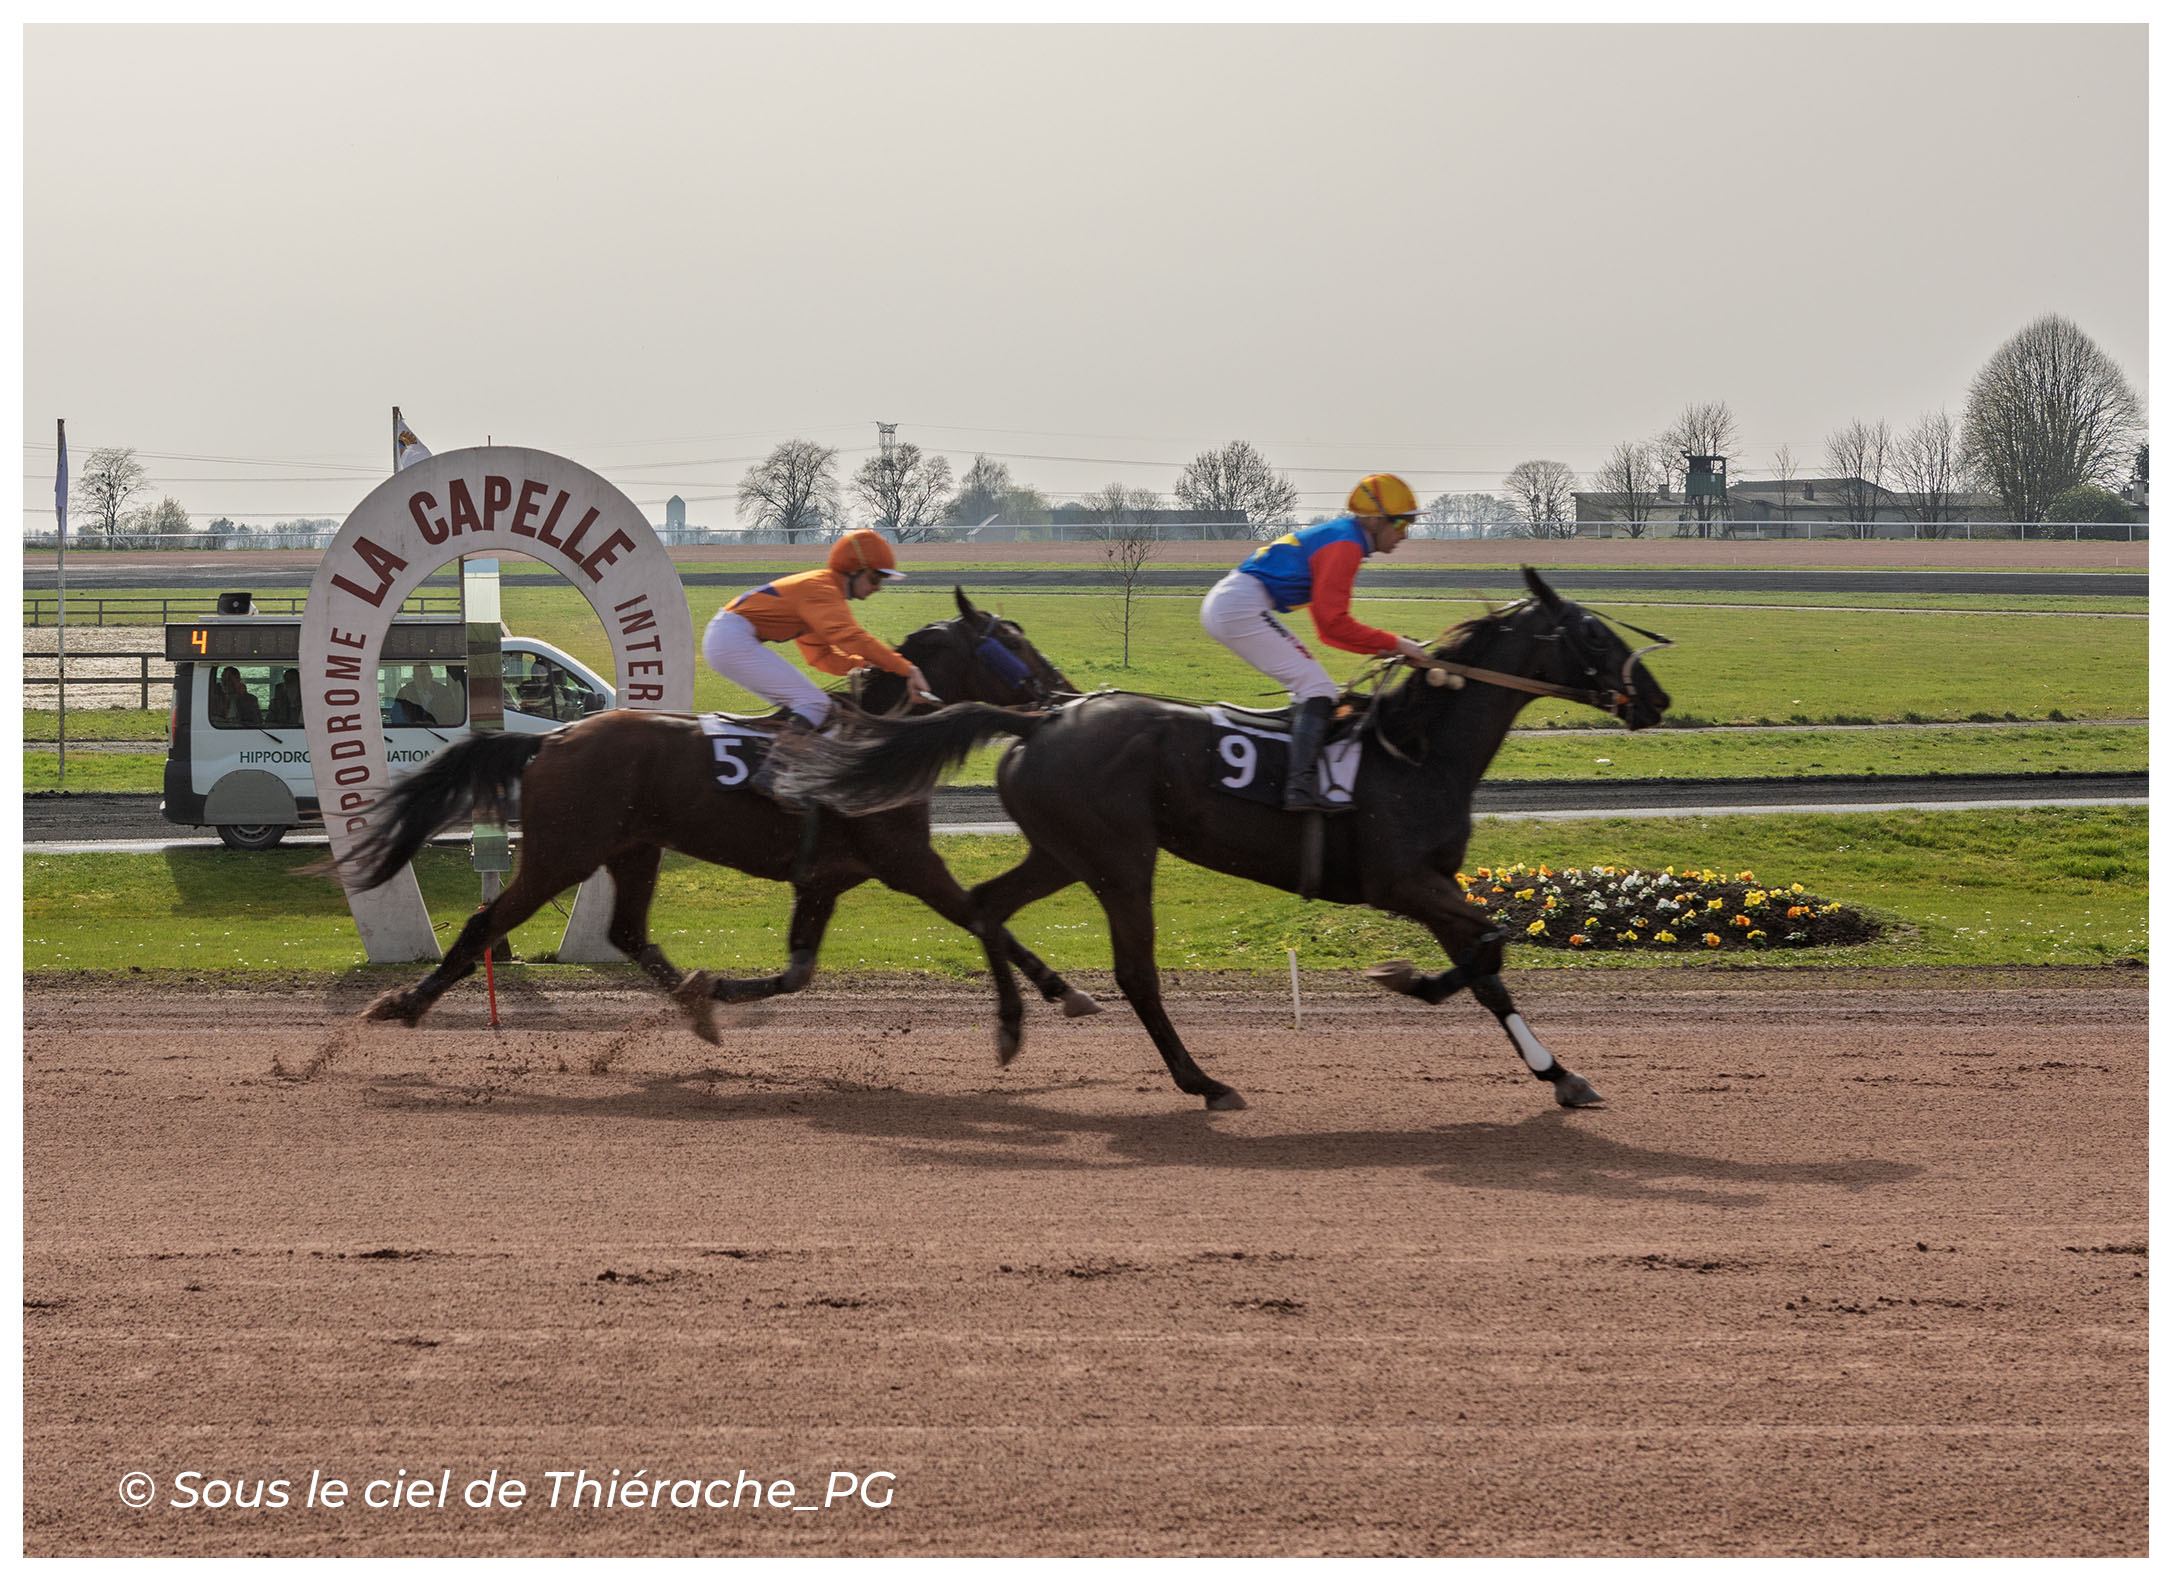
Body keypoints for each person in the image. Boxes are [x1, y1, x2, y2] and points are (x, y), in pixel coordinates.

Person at [1200, 474, 1434, 811]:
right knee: (1317, 689)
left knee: (1315, 688)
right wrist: (1395, 644)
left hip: (1238, 602)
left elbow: (1329, 627)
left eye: (1408, 523)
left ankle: (1293, 775)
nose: (1404, 533)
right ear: (1374, 519)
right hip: (1238, 606)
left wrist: (1390, 645)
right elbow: (1333, 626)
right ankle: (1299, 789)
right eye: (1400, 522)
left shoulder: (1345, 538)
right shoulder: (1345, 545)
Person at [702, 529, 939, 729]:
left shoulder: (821, 592)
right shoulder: (822, 591)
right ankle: (775, 771)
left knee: (813, 704)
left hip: (728, 636)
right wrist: (906, 669)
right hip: (731, 638)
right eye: (875, 579)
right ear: (853, 569)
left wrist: (865, 665)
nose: (878, 588)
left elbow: (821, 657)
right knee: (814, 704)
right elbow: (852, 639)